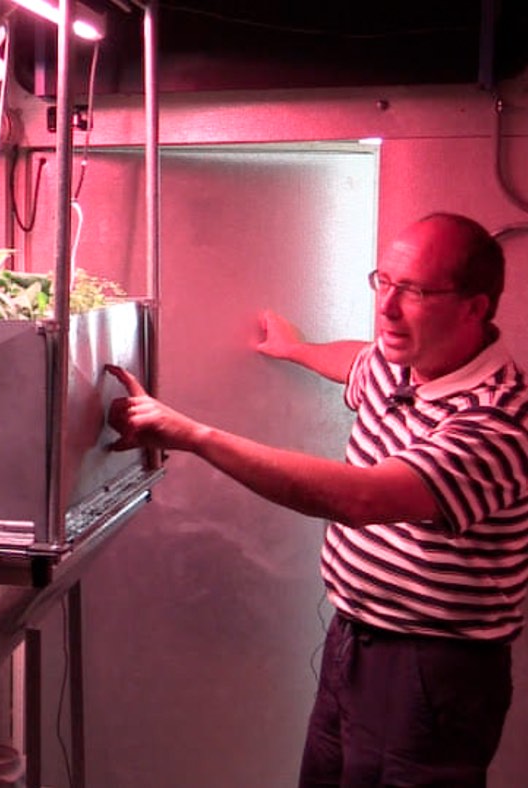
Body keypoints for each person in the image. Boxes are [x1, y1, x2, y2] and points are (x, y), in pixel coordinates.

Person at [106, 212, 528, 787]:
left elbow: (364, 499)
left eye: (416, 292)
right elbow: (356, 360)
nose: (387, 308)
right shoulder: (400, 363)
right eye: (385, 282)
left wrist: (193, 434)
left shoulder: (498, 423)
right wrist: (295, 348)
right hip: (354, 637)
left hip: (432, 669)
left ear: (474, 308)